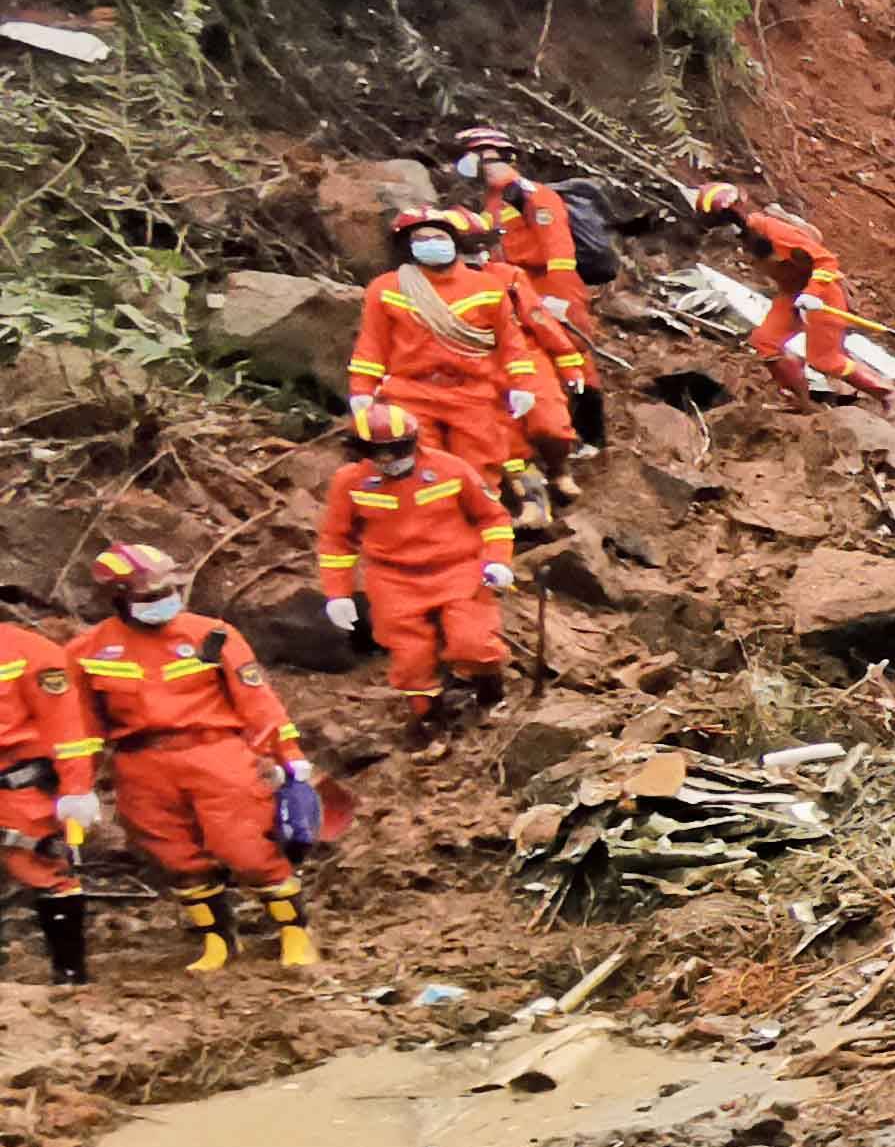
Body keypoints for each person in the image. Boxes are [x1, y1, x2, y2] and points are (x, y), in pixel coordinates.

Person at [69, 540, 315, 969]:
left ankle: (295, 932)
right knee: (176, 856)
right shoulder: (87, 653)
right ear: (118, 599)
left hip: (216, 753)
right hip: (140, 763)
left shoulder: (211, 636)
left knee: (245, 848)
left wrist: (288, 756)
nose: (163, 602)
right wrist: (76, 787)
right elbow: (81, 727)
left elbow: (258, 702)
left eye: (168, 591)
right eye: (149, 595)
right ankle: (217, 941)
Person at [346, 203, 562, 536]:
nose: (432, 242)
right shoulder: (387, 288)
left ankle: (483, 533)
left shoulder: (487, 288)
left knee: (479, 466)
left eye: (438, 236)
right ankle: (431, 533)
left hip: (472, 391)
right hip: (411, 391)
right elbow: (371, 345)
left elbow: (511, 343)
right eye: (422, 237)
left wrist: (521, 384)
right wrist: (362, 389)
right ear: (409, 246)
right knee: (419, 464)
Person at [313, 401, 513, 735]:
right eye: (377, 452)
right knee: (410, 660)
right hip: (392, 580)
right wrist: (338, 594)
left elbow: (492, 516)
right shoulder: (350, 483)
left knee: (473, 641)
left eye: (394, 450)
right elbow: (336, 540)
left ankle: (491, 696)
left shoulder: (450, 469)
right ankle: (429, 719)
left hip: (457, 569)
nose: (388, 461)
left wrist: (497, 560)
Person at [447, 126, 606, 449]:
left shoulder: (533, 196)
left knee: (573, 352)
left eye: (480, 160)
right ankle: (550, 432)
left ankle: (592, 436)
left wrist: (557, 299)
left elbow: (559, 252)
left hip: (553, 285)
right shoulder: (493, 202)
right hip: (518, 287)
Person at [0, 585, 96, 985]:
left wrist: (76, 788)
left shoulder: (30, 652)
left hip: (16, 785)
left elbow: (67, 729)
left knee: (46, 869)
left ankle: (69, 974)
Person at [693, 183, 864, 400]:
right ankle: (804, 403)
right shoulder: (750, 241)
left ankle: (888, 396)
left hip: (822, 292)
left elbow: (826, 261)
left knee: (825, 359)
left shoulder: (774, 230)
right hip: (792, 295)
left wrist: (811, 293)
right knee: (765, 342)